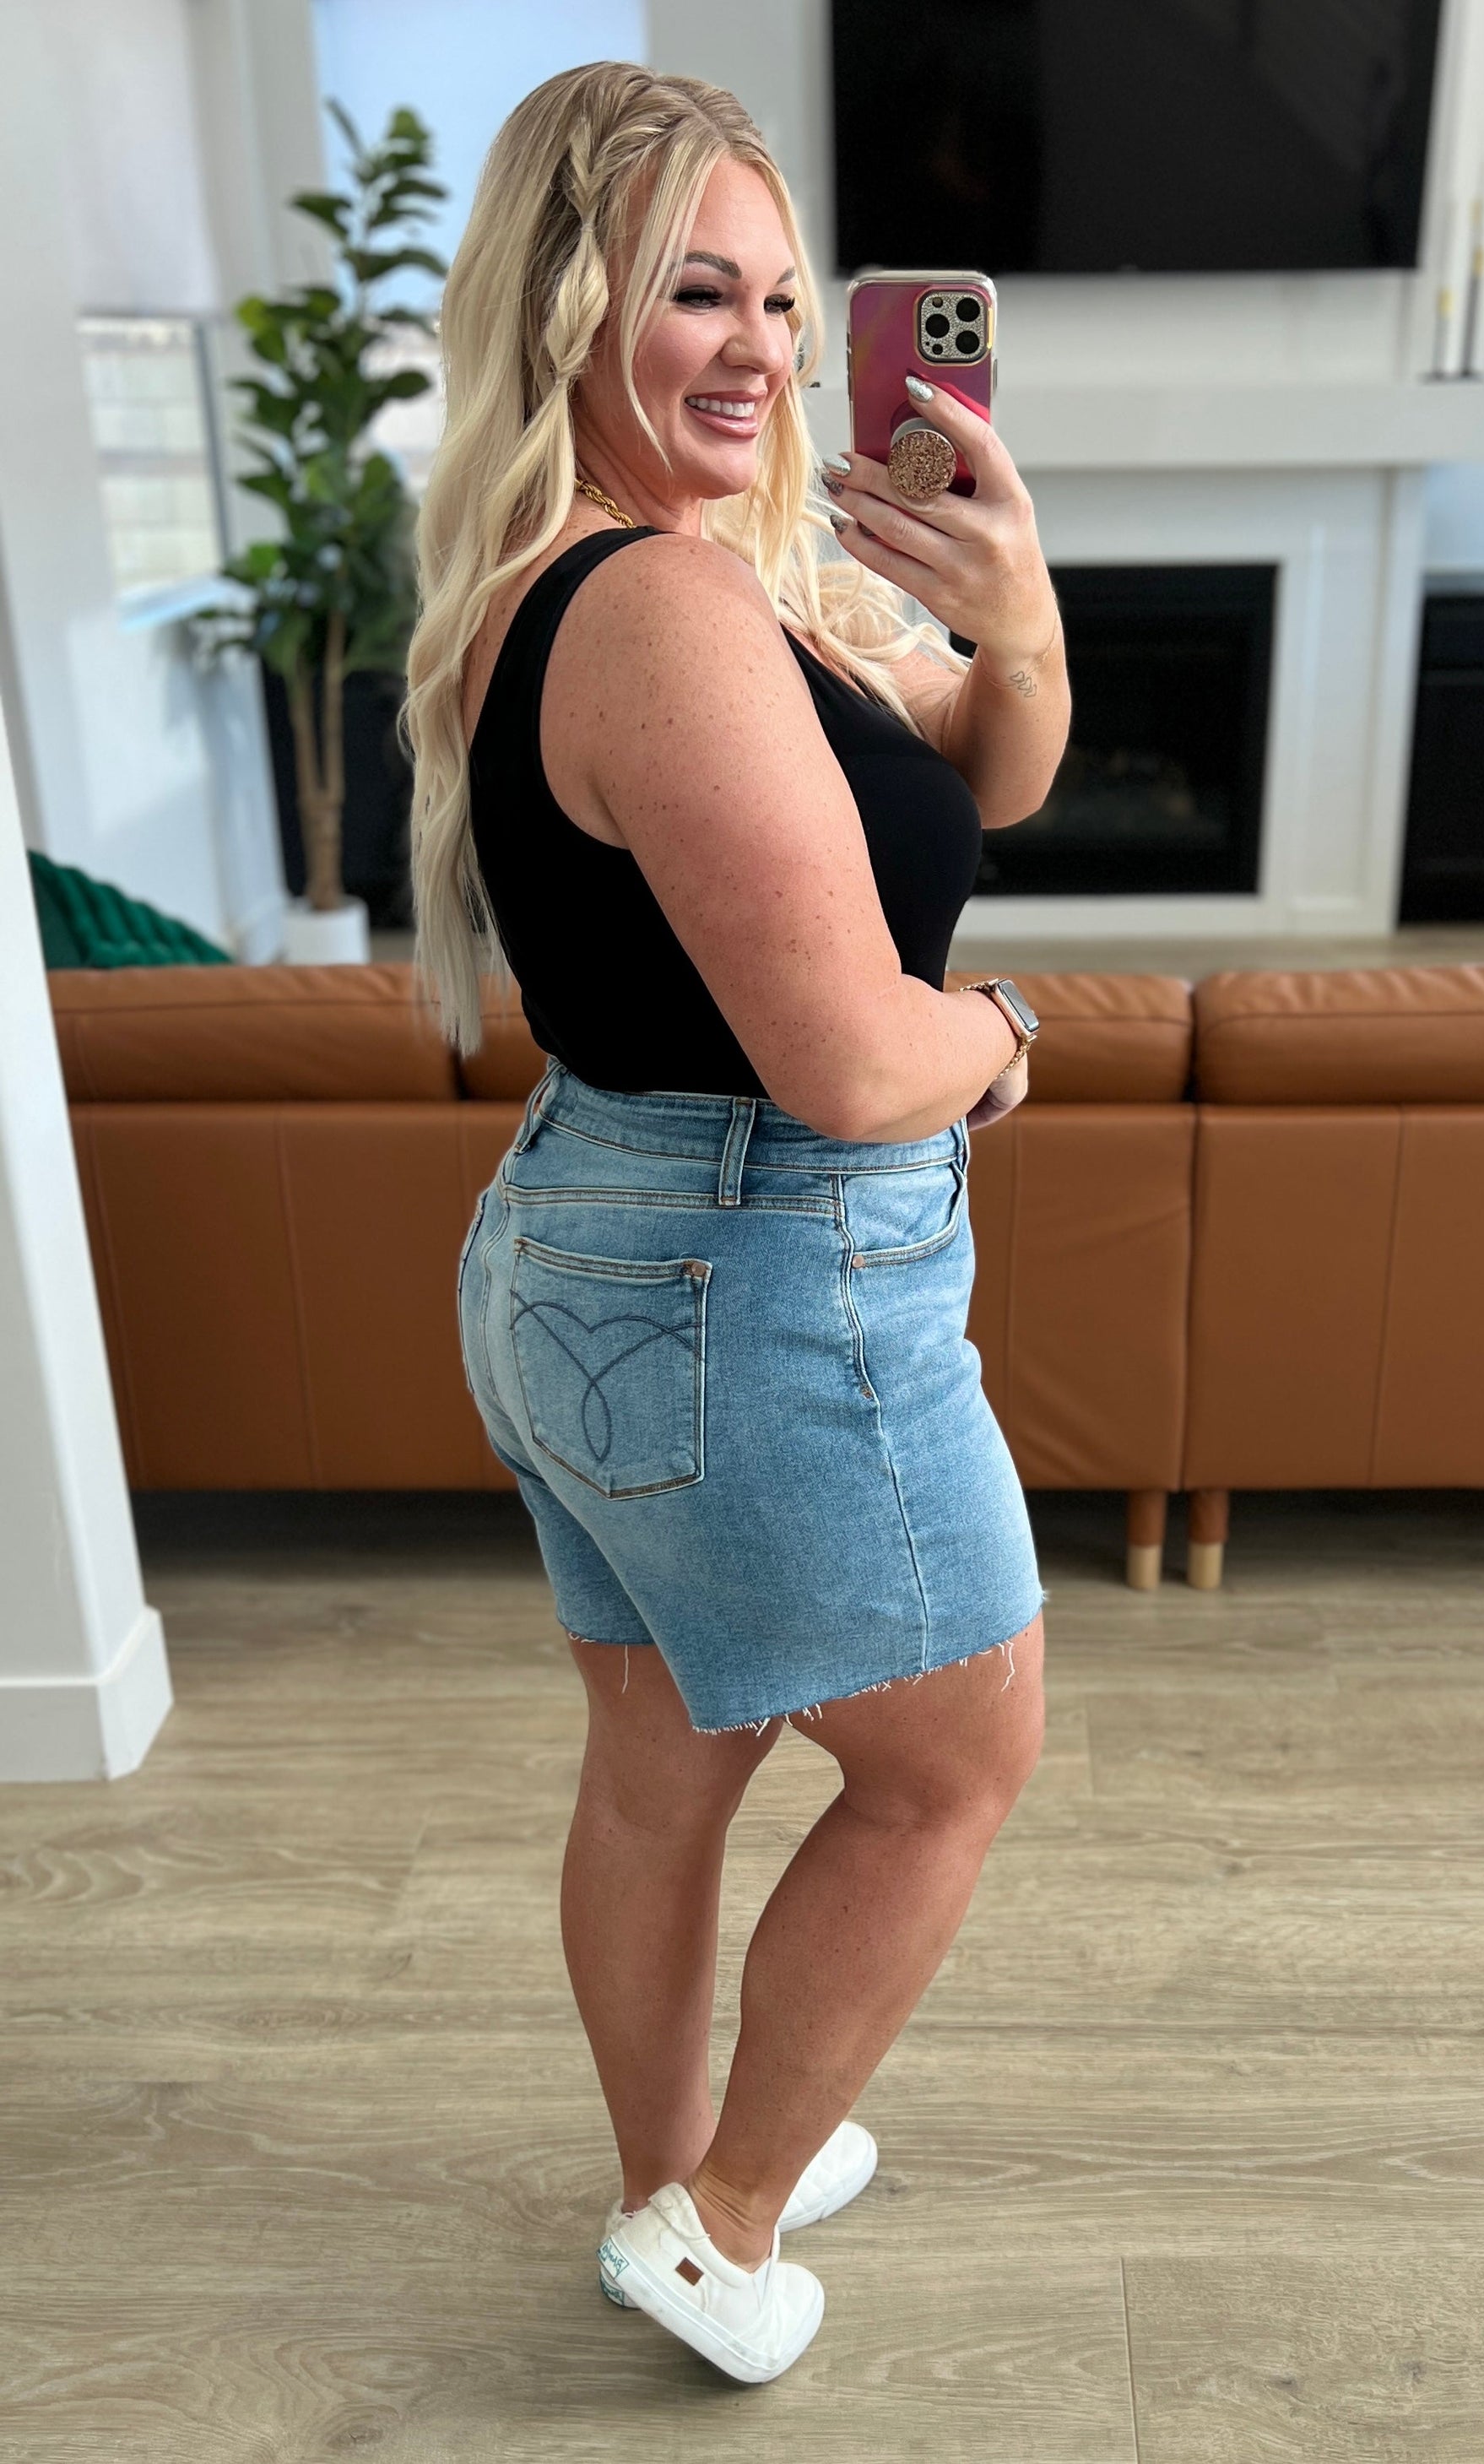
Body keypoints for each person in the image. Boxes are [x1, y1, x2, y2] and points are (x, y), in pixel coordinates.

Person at [404, 60, 1071, 2385]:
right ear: (565, 304)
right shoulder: (668, 610)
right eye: (696, 291)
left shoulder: (640, 577)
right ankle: (722, 2219)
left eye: (785, 301)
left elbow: (984, 772)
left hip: (597, 1243)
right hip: (755, 1263)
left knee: (661, 1762)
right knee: (954, 1761)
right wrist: (1007, 1033)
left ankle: (670, 2169)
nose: (764, 350)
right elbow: (858, 1066)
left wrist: (1015, 617)